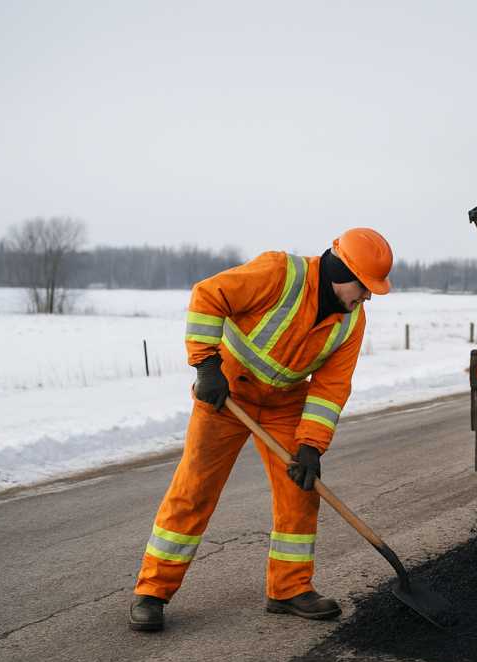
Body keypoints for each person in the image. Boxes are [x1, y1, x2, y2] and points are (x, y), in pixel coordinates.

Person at [129, 228, 393, 631]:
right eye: (365, 287)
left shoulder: (350, 322)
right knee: (194, 489)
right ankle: (152, 591)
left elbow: (330, 388)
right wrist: (206, 365)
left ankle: (289, 589)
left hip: (285, 403)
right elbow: (207, 295)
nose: (368, 296)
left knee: (300, 491)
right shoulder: (278, 273)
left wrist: (310, 447)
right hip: (226, 393)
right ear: (343, 272)